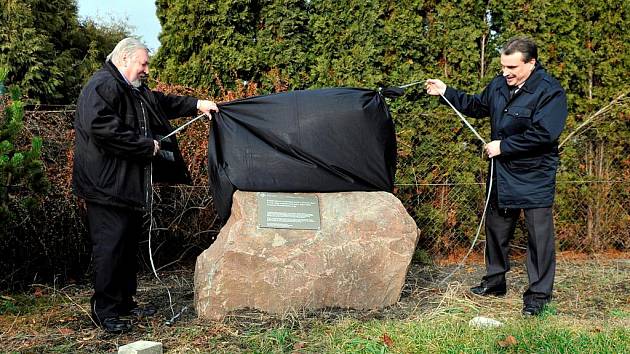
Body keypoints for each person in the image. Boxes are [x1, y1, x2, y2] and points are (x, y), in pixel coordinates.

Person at [72, 37, 218, 333]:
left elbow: (161, 102)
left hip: (125, 186)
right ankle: (106, 311)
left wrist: (196, 105)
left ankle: (125, 303)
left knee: (125, 247)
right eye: (143, 63)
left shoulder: (131, 89)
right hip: (106, 187)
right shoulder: (102, 86)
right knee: (110, 247)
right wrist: (144, 146)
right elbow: (102, 129)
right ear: (124, 59)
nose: (147, 69)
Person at [425, 37, 567, 316]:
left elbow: (545, 134)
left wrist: (504, 146)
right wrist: (446, 92)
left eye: (512, 67)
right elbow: (477, 106)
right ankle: (494, 281)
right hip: (502, 174)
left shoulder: (550, 92)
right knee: (497, 230)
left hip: (535, 175)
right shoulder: (500, 84)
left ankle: (538, 295)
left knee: (539, 238)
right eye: (503, 66)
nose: (506, 73)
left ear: (531, 63)